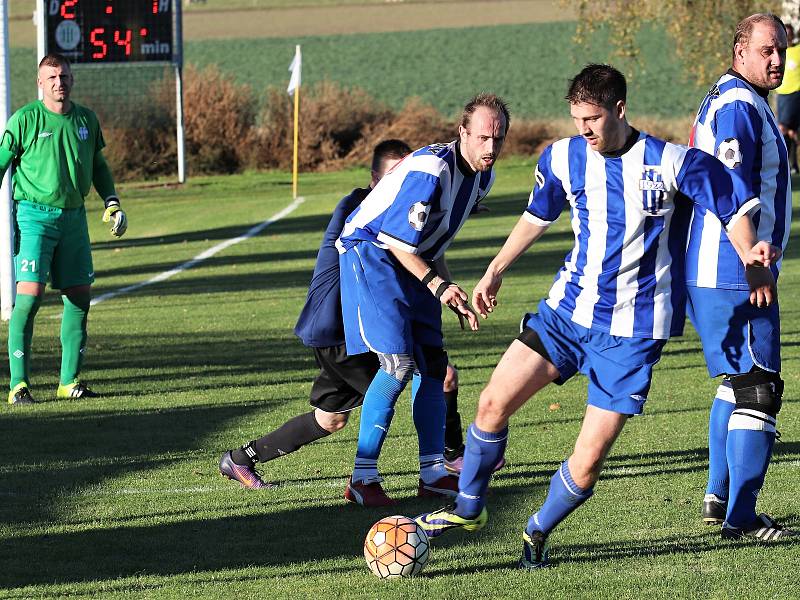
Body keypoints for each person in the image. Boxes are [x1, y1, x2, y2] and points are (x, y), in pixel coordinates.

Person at [415, 64, 781, 568]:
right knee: (491, 404)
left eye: (592, 118)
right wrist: (495, 270)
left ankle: (536, 531)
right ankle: (469, 507)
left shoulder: (674, 162)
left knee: (585, 466)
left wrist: (750, 259)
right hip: (565, 314)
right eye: (576, 118)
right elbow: (537, 215)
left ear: (619, 110)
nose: (583, 129)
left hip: (631, 336)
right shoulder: (564, 157)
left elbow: (733, 208)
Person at [218, 140, 473, 489]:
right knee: (425, 375)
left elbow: (423, 250)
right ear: (374, 178)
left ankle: (241, 459)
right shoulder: (359, 207)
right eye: (394, 174)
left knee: (330, 419)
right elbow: (388, 253)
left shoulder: (412, 200)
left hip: (358, 321)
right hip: (338, 324)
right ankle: (444, 457)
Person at [336, 94, 509, 507]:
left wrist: (450, 291)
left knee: (434, 365)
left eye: (498, 139)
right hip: (372, 254)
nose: (490, 148)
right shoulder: (431, 170)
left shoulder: (483, 178)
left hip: (417, 261)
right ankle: (362, 477)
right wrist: (437, 285)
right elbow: (395, 242)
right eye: (483, 137)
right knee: (397, 364)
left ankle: (433, 473)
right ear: (463, 133)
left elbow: (432, 242)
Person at [688, 13, 793, 540]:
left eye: (782, 50)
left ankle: (719, 495)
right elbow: (728, 186)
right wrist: (753, 260)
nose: (777, 60)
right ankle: (742, 517)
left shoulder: (737, 97)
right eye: (767, 50)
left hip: (722, 265)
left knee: (736, 382)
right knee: (760, 387)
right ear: (740, 52)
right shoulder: (737, 105)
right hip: (732, 267)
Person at [0, 53, 127, 405]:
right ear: (40, 82)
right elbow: (1, 161)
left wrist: (112, 201)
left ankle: (69, 382)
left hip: (74, 218)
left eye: (65, 76)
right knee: (28, 298)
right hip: (33, 216)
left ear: (72, 79)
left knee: (79, 297)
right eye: (52, 77)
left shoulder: (86, 119)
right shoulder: (25, 119)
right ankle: (18, 385)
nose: (60, 82)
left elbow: (99, 165)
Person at [775, 22, 800, 173]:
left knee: (784, 128)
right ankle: (793, 165)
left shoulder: (798, 51)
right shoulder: (778, 51)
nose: (787, 36)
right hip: (781, 94)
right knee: (790, 131)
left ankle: (785, 164)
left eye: (789, 33)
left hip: (795, 93)